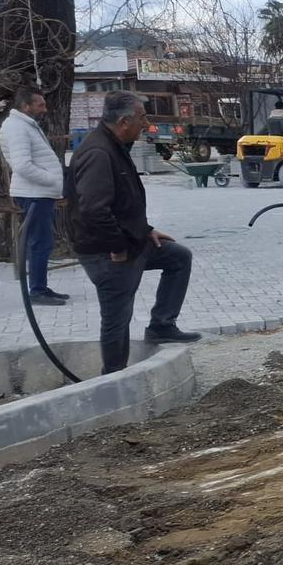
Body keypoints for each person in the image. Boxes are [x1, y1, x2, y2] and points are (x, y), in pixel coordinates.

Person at [66, 92, 200, 373]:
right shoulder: (99, 153)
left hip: (132, 241)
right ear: (125, 121)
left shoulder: (115, 145)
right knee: (117, 316)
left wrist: (146, 230)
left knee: (177, 257)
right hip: (108, 252)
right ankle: (114, 379)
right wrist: (117, 246)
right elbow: (94, 210)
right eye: (142, 117)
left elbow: (122, 202)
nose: (146, 123)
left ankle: (161, 326)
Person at [0, 85, 69, 306]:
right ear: (26, 106)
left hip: (39, 194)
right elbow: (22, 166)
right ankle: (37, 291)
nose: (44, 109)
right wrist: (52, 180)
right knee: (40, 243)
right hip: (34, 194)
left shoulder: (25, 125)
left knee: (43, 242)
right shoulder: (17, 128)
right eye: (40, 105)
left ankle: (41, 287)